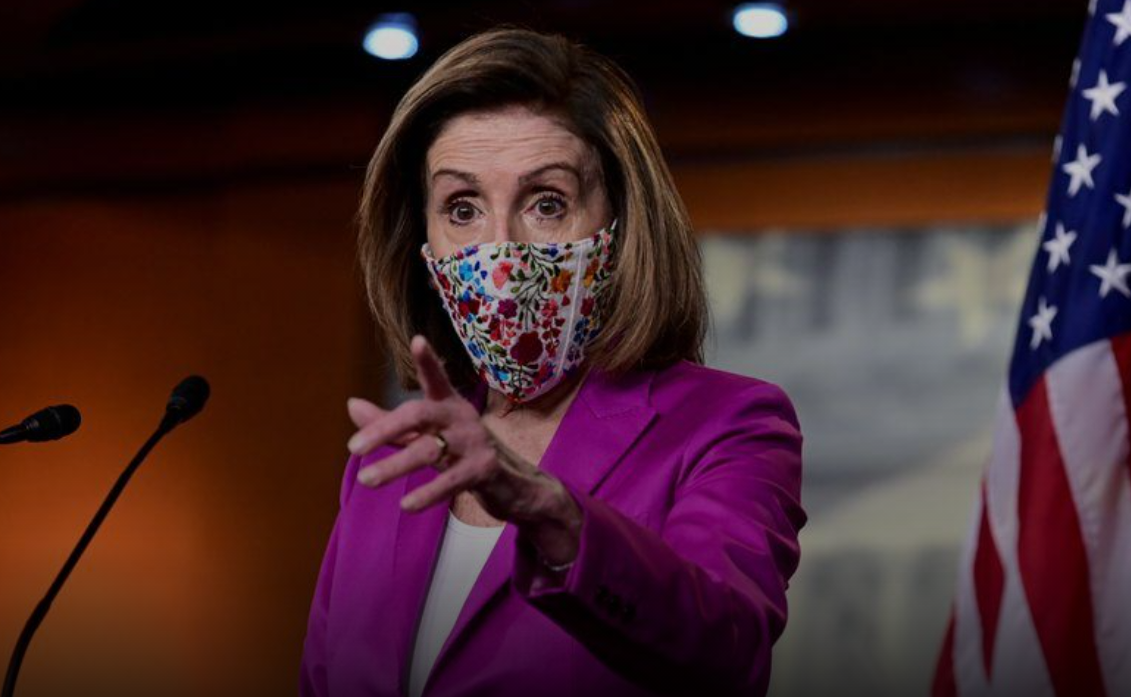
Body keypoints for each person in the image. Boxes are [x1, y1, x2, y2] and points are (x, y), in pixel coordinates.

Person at [299, 26, 806, 697]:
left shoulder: (729, 423)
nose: (499, 252)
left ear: (620, 224)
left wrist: (555, 517)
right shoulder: (388, 462)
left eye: (546, 203)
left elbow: (725, 653)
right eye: (461, 208)